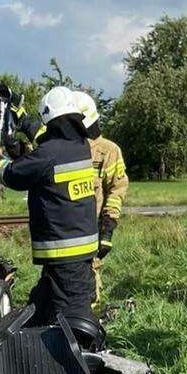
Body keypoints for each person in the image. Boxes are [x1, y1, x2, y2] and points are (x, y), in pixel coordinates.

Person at [0, 87, 99, 327]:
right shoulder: (79, 145)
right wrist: (24, 120)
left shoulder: (50, 154)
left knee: (73, 324)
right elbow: (46, 138)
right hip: (76, 254)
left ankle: (88, 359)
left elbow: (12, 174)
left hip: (64, 255)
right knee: (41, 309)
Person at [74, 91, 128, 307]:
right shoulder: (66, 149)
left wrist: (108, 228)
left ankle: (90, 327)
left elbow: (117, 189)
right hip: (66, 231)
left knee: (89, 285)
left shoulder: (108, 151)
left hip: (91, 230)